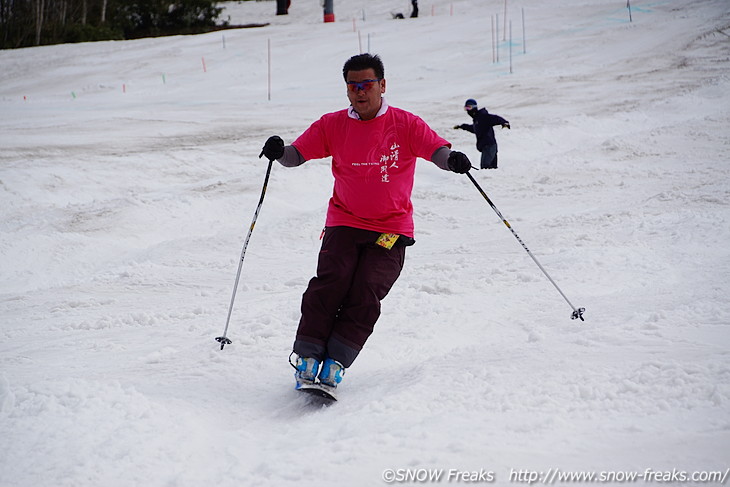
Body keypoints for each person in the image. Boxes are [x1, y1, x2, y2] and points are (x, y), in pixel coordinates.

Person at [260, 53, 472, 395]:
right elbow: (296, 154)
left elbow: (436, 151)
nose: (360, 92)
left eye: (367, 85)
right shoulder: (333, 124)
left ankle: (336, 363)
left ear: (382, 86)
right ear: (347, 90)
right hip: (345, 220)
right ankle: (308, 357)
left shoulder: (405, 123)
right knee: (331, 282)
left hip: (392, 228)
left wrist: (454, 161)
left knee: (366, 290)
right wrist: (277, 150)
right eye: (353, 85)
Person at [453, 98, 510, 169]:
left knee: (485, 168)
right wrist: (462, 126)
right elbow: (475, 129)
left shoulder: (482, 116)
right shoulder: (477, 119)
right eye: (466, 108)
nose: (467, 110)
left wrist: (504, 122)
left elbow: (495, 118)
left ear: (474, 107)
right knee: (491, 169)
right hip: (488, 146)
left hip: (489, 146)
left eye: (469, 107)